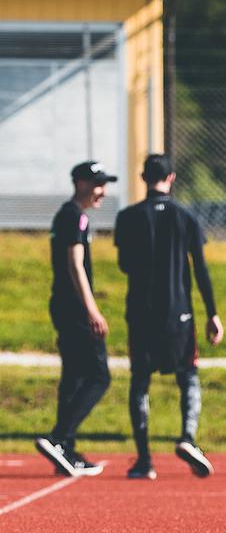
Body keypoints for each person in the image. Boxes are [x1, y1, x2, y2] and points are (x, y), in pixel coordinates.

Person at [114, 154, 223, 480]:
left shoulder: (128, 217)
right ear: (171, 178)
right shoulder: (186, 217)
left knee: (140, 382)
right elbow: (200, 269)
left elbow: (124, 265)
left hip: (141, 313)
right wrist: (212, 312)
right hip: (180, 314)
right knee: (188, 375)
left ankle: (145, 459)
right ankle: (187, 437)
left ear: (142, 176)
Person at [35, 161, 118, 477]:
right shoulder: (75, 216)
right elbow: (75, 265)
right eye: (98, 185)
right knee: (99, 376)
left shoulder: (67, 215)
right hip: (74, 308)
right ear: (81, 183)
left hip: (63, 305)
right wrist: (92, 310)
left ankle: (65, 448)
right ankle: (58, 438)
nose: (103, 192)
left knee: (73, 377)